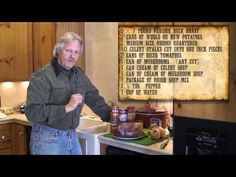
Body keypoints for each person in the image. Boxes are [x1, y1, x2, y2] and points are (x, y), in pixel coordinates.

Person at [24, 32, 111, 155]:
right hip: (47, 139)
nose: (72, 56)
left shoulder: (79, 75)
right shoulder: (42, 76)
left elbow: (95, 99)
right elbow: (32, 112)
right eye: (68, 50)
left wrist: (117, 118)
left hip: (72, 137)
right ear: (58, 50)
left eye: (76, 52)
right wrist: (66, 108)